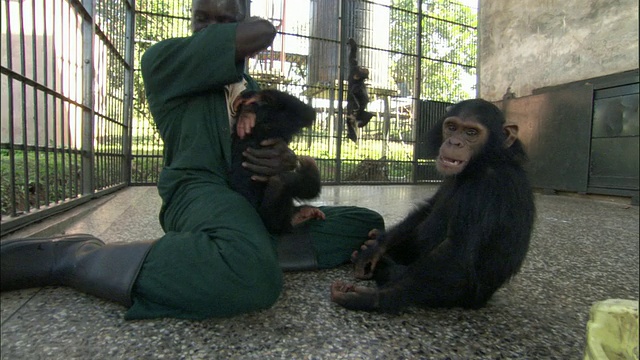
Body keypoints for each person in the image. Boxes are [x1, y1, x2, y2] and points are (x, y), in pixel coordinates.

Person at [0, 0, 384, 320]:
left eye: (223, 21)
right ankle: (75, 258)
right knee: (252, 279)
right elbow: (263, 33)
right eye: (202, 18)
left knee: (365, 224)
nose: (208, 29)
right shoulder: (163, 62)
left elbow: (301, 181)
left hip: (252, 199)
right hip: (198, 190)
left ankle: (235, 249)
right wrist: (245, 29)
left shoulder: (251, 92)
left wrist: (291, 166)